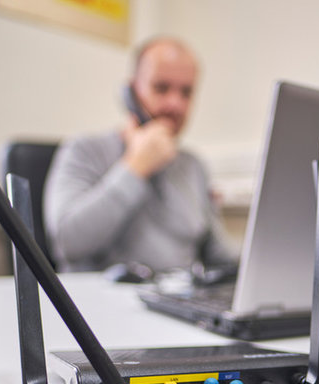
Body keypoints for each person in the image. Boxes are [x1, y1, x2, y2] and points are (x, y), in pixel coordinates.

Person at [43, 37, 238, 273]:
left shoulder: (192, 166)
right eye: (161, 88)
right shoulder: (83, 150)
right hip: (98, 304)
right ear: (131, 91)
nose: (175, 104)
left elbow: (218, 255)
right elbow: (67, 243)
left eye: (186, 92)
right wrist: (136, 167)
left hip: (176, 300)